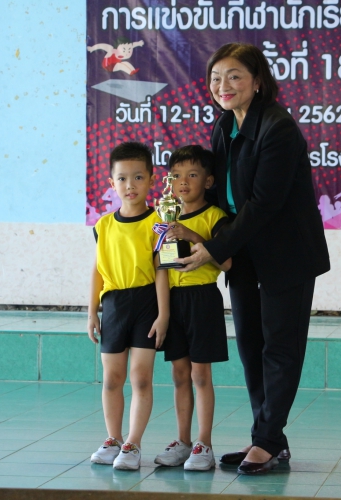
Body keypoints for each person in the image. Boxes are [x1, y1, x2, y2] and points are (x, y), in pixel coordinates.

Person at [176, 43, 330, 475]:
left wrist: (214, 249)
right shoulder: (224, 125)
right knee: (251, 347)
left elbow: (264, 204)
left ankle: (266, 440)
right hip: (242, 253)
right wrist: (197, 233)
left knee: (279, 347)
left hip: (285, 255)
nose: (222, 85)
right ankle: (269, 438)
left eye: (234, 76)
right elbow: (219, 196)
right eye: (215, 78)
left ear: (258, 81)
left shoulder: (278, 128)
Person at [87, 142, 169, 471]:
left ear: (151, 179)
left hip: (147, 303)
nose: (130, 185)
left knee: (141, 378)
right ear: (111, 183)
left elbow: (162, 270)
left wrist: (163, 314)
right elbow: (98, 270)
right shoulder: (103, 225)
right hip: (114, 305)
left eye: (138, 177)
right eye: (122, 178)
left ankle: (133, 444)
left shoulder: (159, 223)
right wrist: (92, 311)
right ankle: (113, 439)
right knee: (112, 378)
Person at [153, 145, 232, 471]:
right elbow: (162, 265)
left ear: (209, 181)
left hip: (203, 299)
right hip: (174, 302)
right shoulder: (164, 218)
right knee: (179, 374)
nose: (183, 182)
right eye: (176, 175)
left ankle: (204, 444)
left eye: (192, 174)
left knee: (201, 374)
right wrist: (162, 312)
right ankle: (183, 441)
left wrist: (190, 234)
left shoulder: (216, 217)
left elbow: (227, 263)